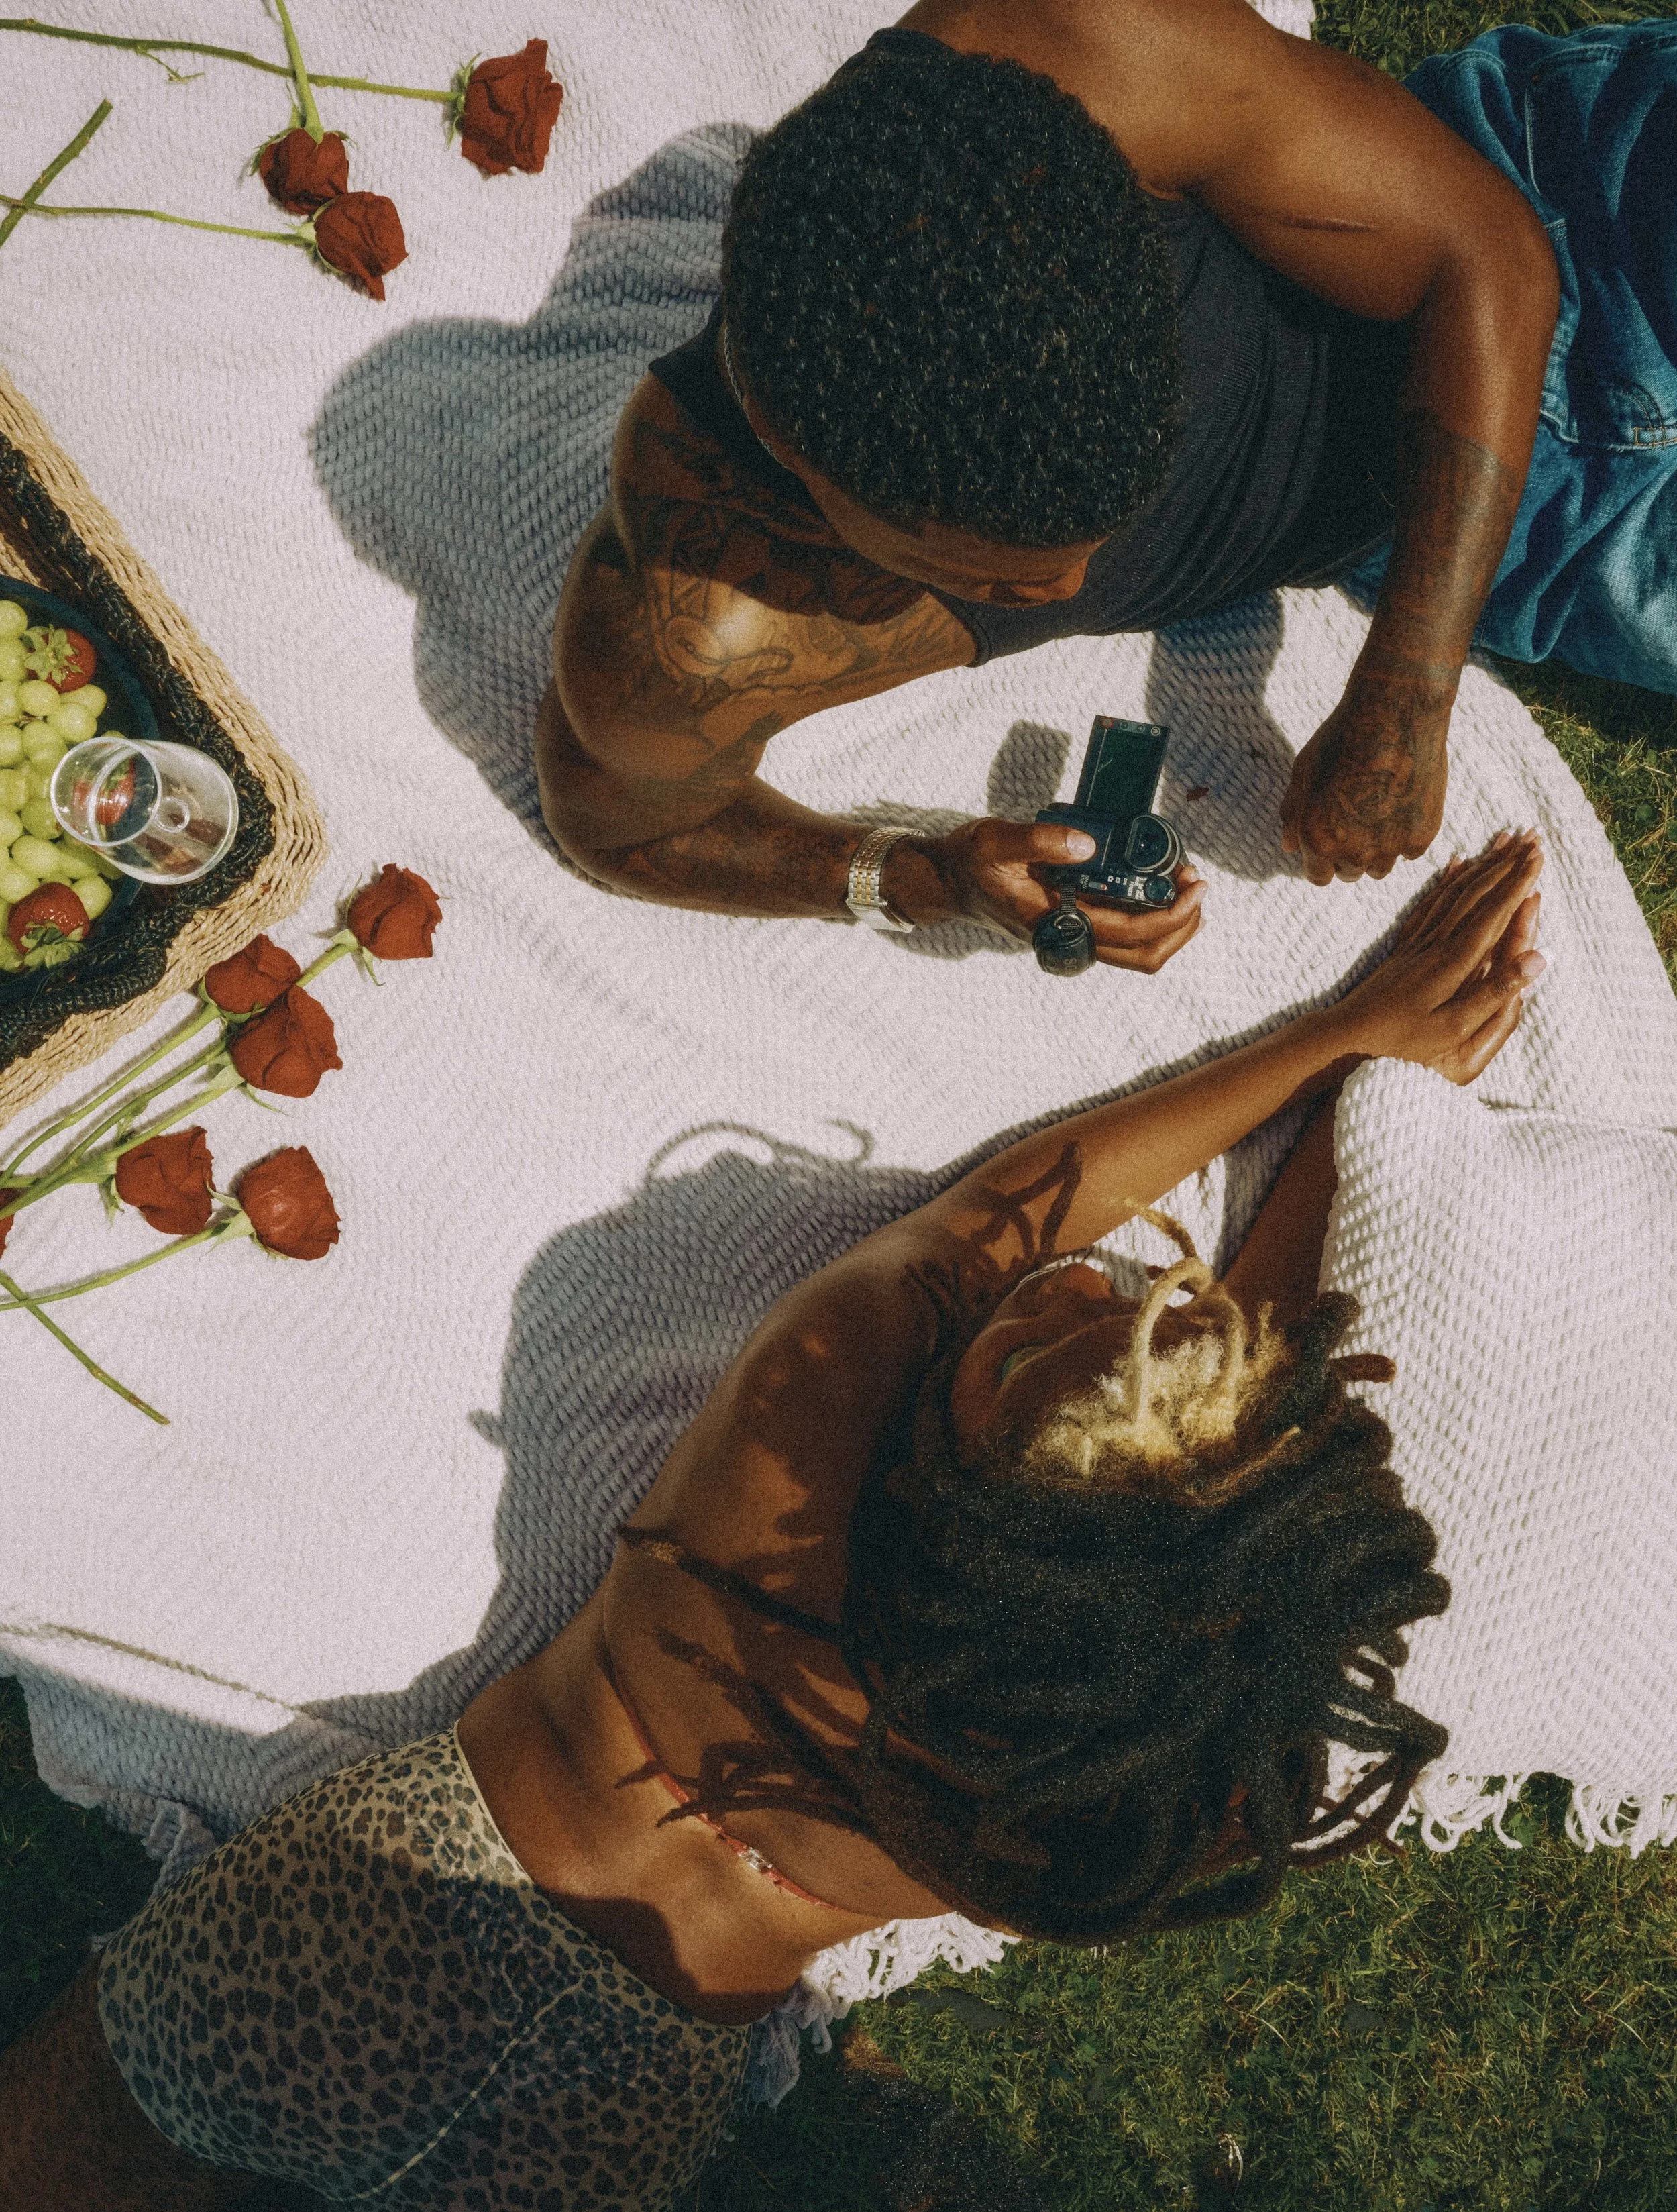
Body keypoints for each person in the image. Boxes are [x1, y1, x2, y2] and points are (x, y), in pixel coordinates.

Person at [0, 831, 1546, 2209]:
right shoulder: (1095, 1783)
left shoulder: (781, 1474)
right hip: (611, 2114)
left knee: (64, 2164)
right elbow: (1236, 1411)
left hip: (345, 1945)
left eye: (1024, 1352)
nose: (1082, 1283)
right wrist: (1364, 1097)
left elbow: (996, 1215)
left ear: (948, 1510)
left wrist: (1337, 1031)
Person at [536, 4, 1676, 967]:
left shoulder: (1089, 40)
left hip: (1561, 198)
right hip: (1536, 522)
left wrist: (1409, 687)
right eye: (994, 580)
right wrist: (932, 876)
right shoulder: (693, 626)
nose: (1069, 589)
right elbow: (618, 823)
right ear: (799, 459)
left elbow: (1485, 252)